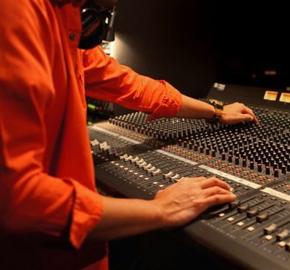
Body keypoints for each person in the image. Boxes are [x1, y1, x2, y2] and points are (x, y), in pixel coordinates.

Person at [0, 0, 257, 269]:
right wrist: (160, 210)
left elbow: (131, 85)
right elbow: (18, 203)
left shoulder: (67, 21)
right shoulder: (17, 11)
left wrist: (215, 111)